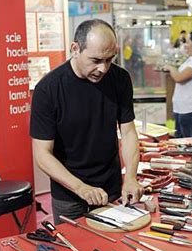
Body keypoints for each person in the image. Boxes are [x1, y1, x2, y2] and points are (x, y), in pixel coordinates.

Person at [30, 19, 144, 223]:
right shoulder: (47, 90)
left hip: (111, 187)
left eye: (109, 60)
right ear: (75, 49)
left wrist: (130, 177)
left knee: (116, 248)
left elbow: (127, 132)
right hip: (69, 193)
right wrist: (80, 187)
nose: (103, 68)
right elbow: (42, 154)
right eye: (96, 60)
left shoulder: (120, 79)